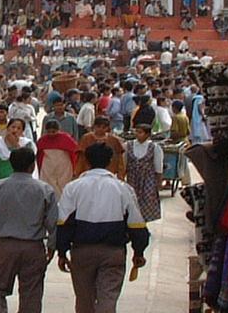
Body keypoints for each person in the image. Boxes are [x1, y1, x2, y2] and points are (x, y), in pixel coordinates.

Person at [56, 142, 151, 313]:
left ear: (87, 161)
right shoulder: (123, 189)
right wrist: (139, 252)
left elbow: (63, 224)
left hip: (82, 252)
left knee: (84, 300)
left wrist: (62, 252)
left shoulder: (73, 188)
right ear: (110, 162)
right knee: (108, 298)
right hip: (113, 252)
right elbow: (137, 225)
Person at [0, 147, 58, 313]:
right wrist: (52, 246)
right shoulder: (45, 190)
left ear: (11, 164)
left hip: (4, 246)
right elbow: (52, 222)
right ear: (33, 166)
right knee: (31, 292)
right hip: (33, 246)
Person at [123, 124, 163, 222]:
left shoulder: (154, 147)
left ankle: (143, 223)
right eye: (136, 131)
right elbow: (124, 163)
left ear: (147, 134)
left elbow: (158, 166)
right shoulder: (128, 145)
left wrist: (159, 182)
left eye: (140, 132)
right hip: (132, 178)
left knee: (147, 200)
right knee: (132, 200)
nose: (137, 134)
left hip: (148, 179)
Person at [35, 119, 79, 198]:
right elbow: (38, 155)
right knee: (48, 185)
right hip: (47, 166)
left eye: (54, 131)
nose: (51, 134)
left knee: (64, 185)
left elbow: (75, 152)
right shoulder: (42, 140)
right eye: (49, 132)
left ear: (58, 130)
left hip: (64, 166)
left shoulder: (66, 138)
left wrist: (75, 167)